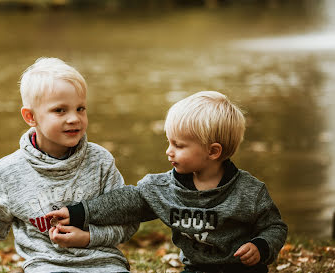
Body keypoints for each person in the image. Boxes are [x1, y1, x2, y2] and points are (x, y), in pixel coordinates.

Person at [46, 91, 288, 273]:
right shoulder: (163, 189)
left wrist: (261, 246)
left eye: (179, 146)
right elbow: (124, 203)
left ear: (213, 152)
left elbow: (275, 227)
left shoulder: (250, 192)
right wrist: (79, 213)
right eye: (169, 142)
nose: (169, 152)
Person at [0, 57, 138, 273]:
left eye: (80, 108)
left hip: (105, 262)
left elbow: (127, 218)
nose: (74, 118)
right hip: (46, 265)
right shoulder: (10, 172)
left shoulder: (100, 161)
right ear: (31, 117)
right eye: (60, 110)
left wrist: (88, 238)